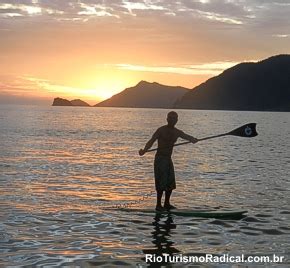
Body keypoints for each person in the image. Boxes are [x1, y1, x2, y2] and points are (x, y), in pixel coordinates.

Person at [139, 111, 198, 211]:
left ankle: (167, 203)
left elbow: (187, 137)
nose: (172, 120)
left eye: (174, 118)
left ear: (177, 120)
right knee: (161, 183)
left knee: (170, 182)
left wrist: (193, 139)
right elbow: (151, 141)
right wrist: (144, 151)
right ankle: (158, 205)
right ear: (167, 119)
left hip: (168, 159)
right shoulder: (161, 130)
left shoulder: (177, 132)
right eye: (170, 118)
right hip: (160, 159)